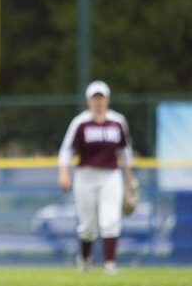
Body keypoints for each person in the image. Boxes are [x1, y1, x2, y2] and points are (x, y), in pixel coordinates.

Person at [57, 80, 135, 275]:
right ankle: (84, 260)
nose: (98, 101)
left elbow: (125, 152)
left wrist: (130, 178)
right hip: (85, 175)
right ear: (88, 101)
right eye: (95, 98)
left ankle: (110, 264)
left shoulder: (118, 121)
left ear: (107, 100)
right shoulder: (81, 122)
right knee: (87, 226)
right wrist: (64, 173)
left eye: (101, 98)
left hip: (110, 175)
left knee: (110, 221)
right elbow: (66, 150)